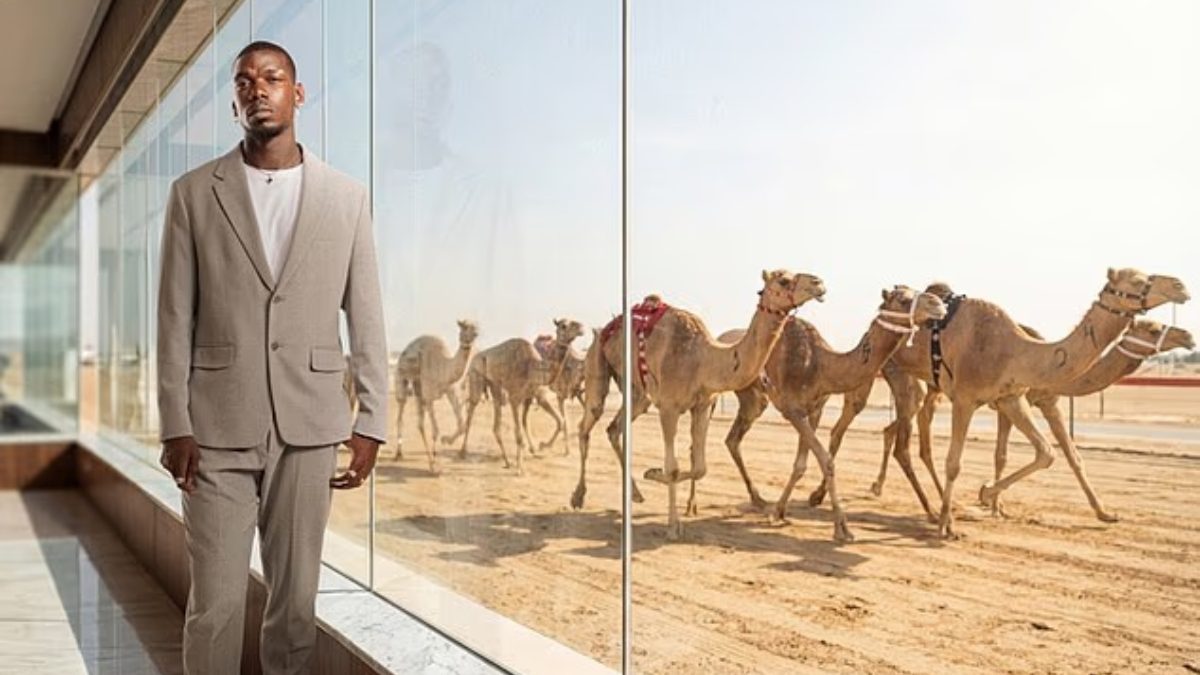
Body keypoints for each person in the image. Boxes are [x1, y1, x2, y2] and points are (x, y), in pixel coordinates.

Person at [156, 40, 388, 675]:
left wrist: (371, 419)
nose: (258, 89)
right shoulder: (193, 194)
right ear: (235, 102)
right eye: (244, 81)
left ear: (297, 93)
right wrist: (174, 424)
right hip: (214, 429)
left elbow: (366, 312)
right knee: (216, 606)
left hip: (309, 425)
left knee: (295, 608)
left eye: (273, 78)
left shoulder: (346, 197)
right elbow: (173, 317)